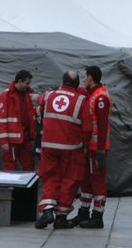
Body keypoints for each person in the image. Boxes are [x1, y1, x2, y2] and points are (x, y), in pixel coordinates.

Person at [34, 72, 92, 229]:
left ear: (62, 81)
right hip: (71, 147)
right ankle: (61, 217)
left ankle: (47, 210)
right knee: (70, 179)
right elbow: (87, 128)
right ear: (77, 84)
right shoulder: (81, 101)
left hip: (49, 145)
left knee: (49, 176)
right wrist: (83, 142)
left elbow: (38, 100)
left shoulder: (49, 96)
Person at [73, 66, 112, 229]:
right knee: (86, 180)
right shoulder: (92, 94)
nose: (83, 80)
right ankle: (84, 212)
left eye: (84, 77)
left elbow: (102, 126)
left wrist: (101, 150)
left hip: (97, 148)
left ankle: (97, 215)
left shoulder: (100, 97)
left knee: (97, 180)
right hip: (91, 147)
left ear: (90, 77)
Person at [0, 70, 39, 172]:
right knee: (10, 166)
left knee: (29, 165)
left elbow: (30, 113)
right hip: (12, 140)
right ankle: (12, 187)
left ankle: (28, 188)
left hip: (25, 136)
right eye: (26, 83)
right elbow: (2, 120)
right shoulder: (6, 96)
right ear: (19, 81)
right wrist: (4, 141)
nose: (28, 86)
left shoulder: (28, 94)